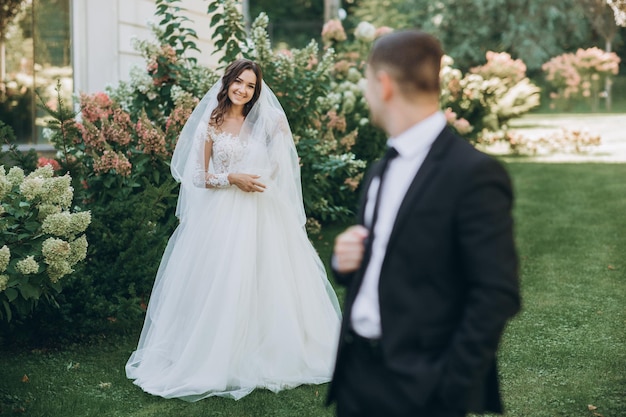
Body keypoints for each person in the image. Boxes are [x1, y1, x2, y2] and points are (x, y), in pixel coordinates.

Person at [326, 30, 521, 417]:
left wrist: (449, 389)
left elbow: (497, 292)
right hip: (357, 378)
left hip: (422, 389)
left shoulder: (473, 174)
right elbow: (389, 261)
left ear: (383, 85)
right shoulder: (382, 168)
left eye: (367, 82)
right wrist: (345, 263)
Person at [126, 59, 342, 401]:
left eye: (251, 86)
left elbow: (280, 162)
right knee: (224, 282)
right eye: (239, 82)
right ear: (228, 83)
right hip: (222, 215)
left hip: (264, 212)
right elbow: (196, 176)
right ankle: (217, 353)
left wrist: (276, 151)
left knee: (270, 281)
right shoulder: (211, 122)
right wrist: (231, 178)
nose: (243, 89)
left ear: (257, 91)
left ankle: (270, 349)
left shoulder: (263, 122)